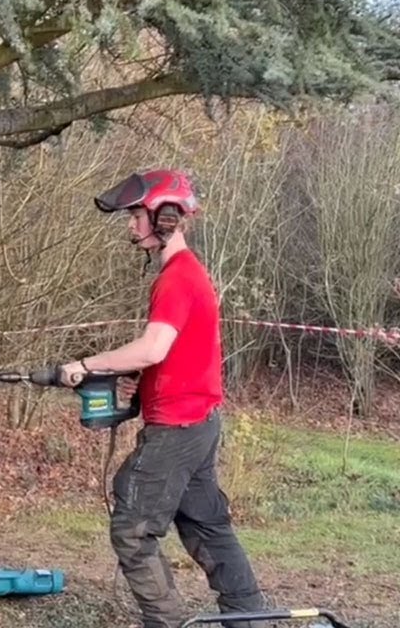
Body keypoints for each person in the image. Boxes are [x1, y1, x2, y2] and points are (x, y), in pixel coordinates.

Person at [58, 169, 269, 628]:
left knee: (132, 531)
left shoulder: (178, 278)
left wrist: (86, 365)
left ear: (167, 217)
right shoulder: (184, 274)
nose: (132, 226)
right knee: (207, 527)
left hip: (179, 427)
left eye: (138, 216)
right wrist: (143, 379)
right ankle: (251, 621)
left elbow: (154, 346)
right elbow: (174, 353)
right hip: (199, 421)